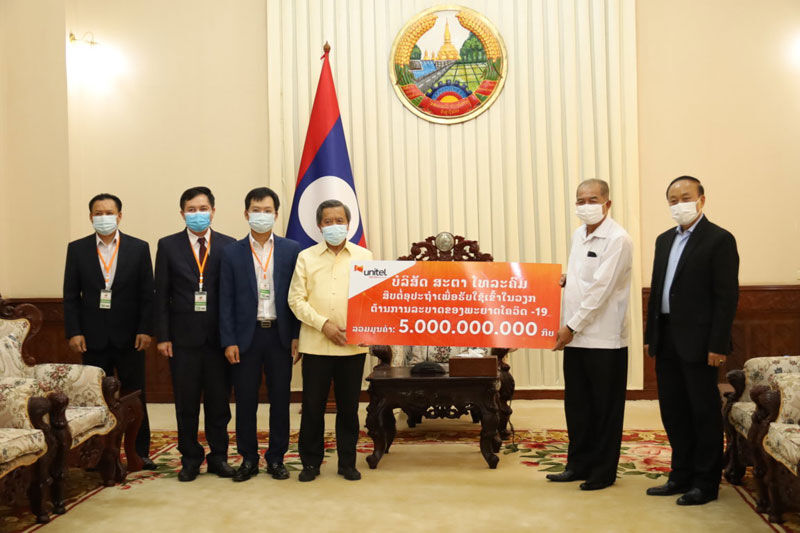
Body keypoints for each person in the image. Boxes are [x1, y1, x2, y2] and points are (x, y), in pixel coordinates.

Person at [644, 175, 739, 506]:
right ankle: (680, 474)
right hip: (667, 336)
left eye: (686, 197)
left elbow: (726, 297)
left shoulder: (719, 239)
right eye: (673, 200)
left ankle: (705, 482)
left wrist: (718, 344)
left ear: (702, 200)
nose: (679, 204)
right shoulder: (663, 240)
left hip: (700, 342)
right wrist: (651, 336)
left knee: (702, 411)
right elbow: (657, 291)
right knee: (673, 410)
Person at [550, 179, 633, 491]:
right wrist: (566, 280)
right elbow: (585, 278)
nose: (586, 206)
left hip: (604, 339)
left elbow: (601, 290)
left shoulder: (618, 239)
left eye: (593, 200)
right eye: (581, 200)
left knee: (604, 409)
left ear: (607, 203)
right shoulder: (578, 235)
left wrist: (571, 327)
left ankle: (603, 471)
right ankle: (578, 464)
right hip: (576, 336)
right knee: (578, 405)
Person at [63, 193, 156, 470]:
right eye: (98, 213)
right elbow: (71, 295)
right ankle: (96, 455)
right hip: (92, 338)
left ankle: (140, 452)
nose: (104, 218)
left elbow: (147, 294)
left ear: (120, 216)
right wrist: (74, 331)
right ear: (91, 217)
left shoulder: (138, 248)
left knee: (135, 395)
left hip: (130, 338)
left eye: (109, 213)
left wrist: (145, 329)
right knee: (94, 398)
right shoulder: (77, 249)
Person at [153, 186, 236, 482]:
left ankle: (219, 457)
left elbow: (232, 296)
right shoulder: (167, 245)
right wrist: (163, 336)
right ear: (182, 213)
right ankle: (190, 458)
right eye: (191, 209)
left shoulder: (229, 245)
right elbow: (161, 295)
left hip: (218, 341)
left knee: (219, 404)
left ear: (213, 211)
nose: (197, 214)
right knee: (186, 404)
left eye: (203, 208)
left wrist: (232, 338)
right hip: (182, 340)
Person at [219, 187, 301, 482]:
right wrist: (228, 340)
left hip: (280, 335)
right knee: (245, 401)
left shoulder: (292, 250)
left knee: (280, 400)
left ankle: (276, 458)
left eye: (267, 211)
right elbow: (225, 300)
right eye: (256, 210)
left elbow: (297, 296)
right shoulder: (231, 252)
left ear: (276, 214)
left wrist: (296, 335)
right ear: (246, 214)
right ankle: (249, 459)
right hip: (246, 337)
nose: (261, 215)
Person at [288, 199, 373, 482]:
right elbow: (296, 300)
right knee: (313, 407)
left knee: (349, 409)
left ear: (348, 224)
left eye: (339, 221)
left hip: (352, 346)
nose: (334, 225)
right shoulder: (306, 257)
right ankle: (310, 463)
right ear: (319, 225)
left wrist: (365, 329)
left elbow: (372, 300)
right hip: (316, 345)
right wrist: (324, 325)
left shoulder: (365, 256)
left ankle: (347, 463)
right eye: (328, 221)